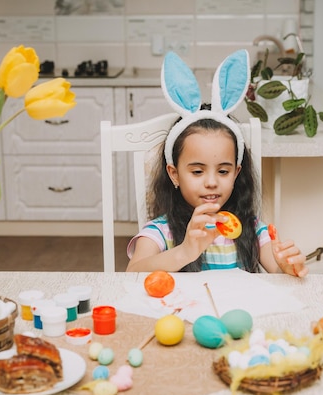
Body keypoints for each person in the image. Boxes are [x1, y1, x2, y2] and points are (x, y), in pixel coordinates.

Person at [125, 50, 307, 278]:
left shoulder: (251, 228)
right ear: (174, 174)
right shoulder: (161, 231)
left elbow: (278, 268)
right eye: (197, 171)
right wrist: (185, 252)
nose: (211, 182)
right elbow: (132, 273)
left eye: (223, 171)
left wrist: (288, 265)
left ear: (236, 173)